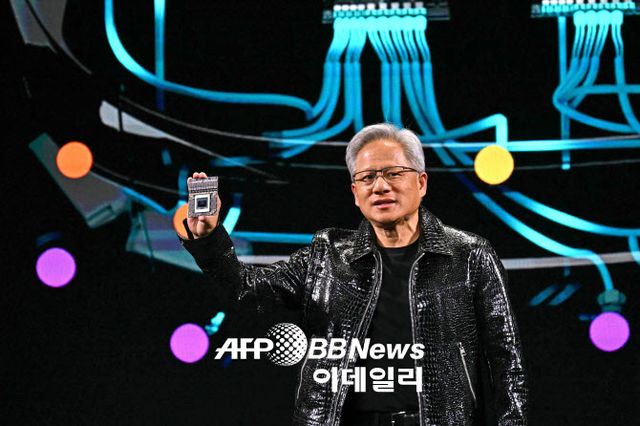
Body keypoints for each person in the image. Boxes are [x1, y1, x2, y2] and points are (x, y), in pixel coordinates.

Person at [179, 123, 529, 426]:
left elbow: (507, 362)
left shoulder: (470, 255)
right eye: (367, 177)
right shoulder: (326, 254)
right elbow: (246, 290)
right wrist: (209, 238)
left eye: (394, 173)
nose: (380, 186)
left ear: (421, 182)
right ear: (355, 193)